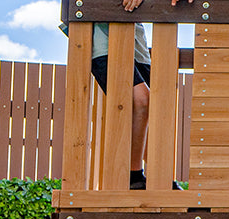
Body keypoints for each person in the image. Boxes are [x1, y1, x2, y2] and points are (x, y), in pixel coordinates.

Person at [61, 0, 178, 189]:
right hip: (101, 36)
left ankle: (161, 177)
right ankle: (134, 177)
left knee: (155, 108)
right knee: (142, 101)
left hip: (135, 35)